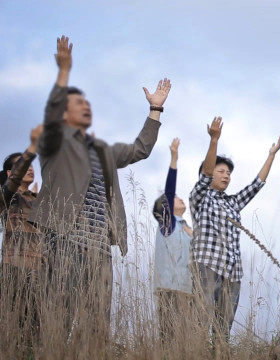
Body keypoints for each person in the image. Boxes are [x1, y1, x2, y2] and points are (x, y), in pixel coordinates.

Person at [29, 35, 172, 348]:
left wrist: (155, 109)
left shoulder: (104, 151)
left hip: (99, 249)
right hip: (64, 241)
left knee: (97, 327)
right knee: (59, 319)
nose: (85, 107)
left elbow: (140, 149)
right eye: (77, 103)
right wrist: (64, 74)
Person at [189, 117, 280, 349]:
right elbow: (206, 175)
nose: (226, 175)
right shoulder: (199, 197)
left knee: (223, 332)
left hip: (233, 273)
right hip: (208, 266)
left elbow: (256, 185)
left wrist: (271, 155)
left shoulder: (233, 203)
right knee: (200, 323)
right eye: (221, 171)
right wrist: (214, 141)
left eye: (229, 172)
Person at [0, 125, 44, 356]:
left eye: (30, 165)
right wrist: (32, 148)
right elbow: (12, 183)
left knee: (35, 334)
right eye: (23, 165)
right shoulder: (7, 197)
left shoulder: (40, 198)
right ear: (9, 173)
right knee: (10, 327)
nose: (29, 169)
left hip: (40, 271)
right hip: (14, 268)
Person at [152, 138, 195, 346]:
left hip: (188, 292)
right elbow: (169, 192)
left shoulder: (186, 228)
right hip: (170, 290)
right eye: (175, 198)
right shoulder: (167, 224)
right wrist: (174, 159)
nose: (179, 199)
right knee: (169, 340)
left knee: (187, 341)